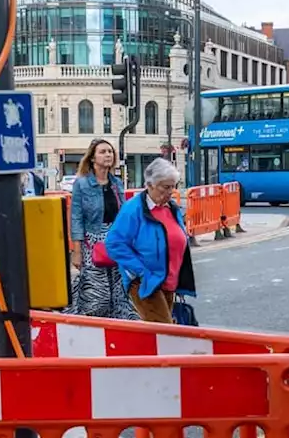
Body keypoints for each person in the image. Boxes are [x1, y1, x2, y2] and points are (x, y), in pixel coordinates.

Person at [104, 158, 195, 323]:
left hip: (168, 280)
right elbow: (114, 243)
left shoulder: (171, 208)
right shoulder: (133, 209)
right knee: (165, 330)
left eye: (173, 186)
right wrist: (141, 271)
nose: (171, 191)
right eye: (166, 187)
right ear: (150, 184)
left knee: (161, 333)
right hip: (146, 283)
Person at [68, 138, 137, 319]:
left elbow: (123, 214)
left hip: (116, 242)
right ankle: (89, 325)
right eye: (103, 152)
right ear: (92, 158)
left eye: (110, 152)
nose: (108, 155)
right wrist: (76, 250)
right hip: (92, 242)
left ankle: (117, 329)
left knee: (119, 291)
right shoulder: (82, 184)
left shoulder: (116, 183)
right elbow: (76, 218)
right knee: (97, 294)